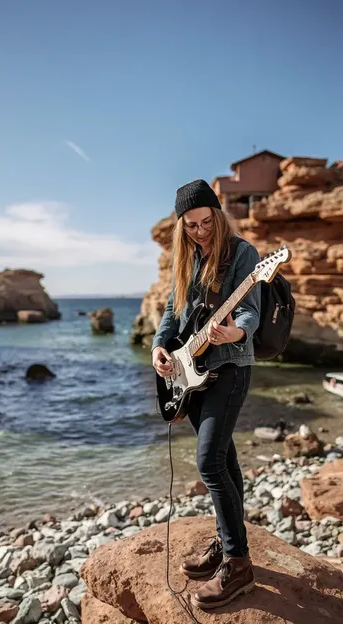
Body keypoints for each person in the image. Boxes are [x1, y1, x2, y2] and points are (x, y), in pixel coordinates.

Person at [151, 179, 261, 610]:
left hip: (231, 366)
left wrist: (235, 330)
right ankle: (226, 539)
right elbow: (172, 311)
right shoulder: (188, 257)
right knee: (225, 460)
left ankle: (239, 565)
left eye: (205, 222)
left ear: (217, 215)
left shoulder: (243, 254)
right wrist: (161, 346)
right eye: (191, 226)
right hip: (190, 371)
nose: (199, 231)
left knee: (209, 462)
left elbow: (250, 309)